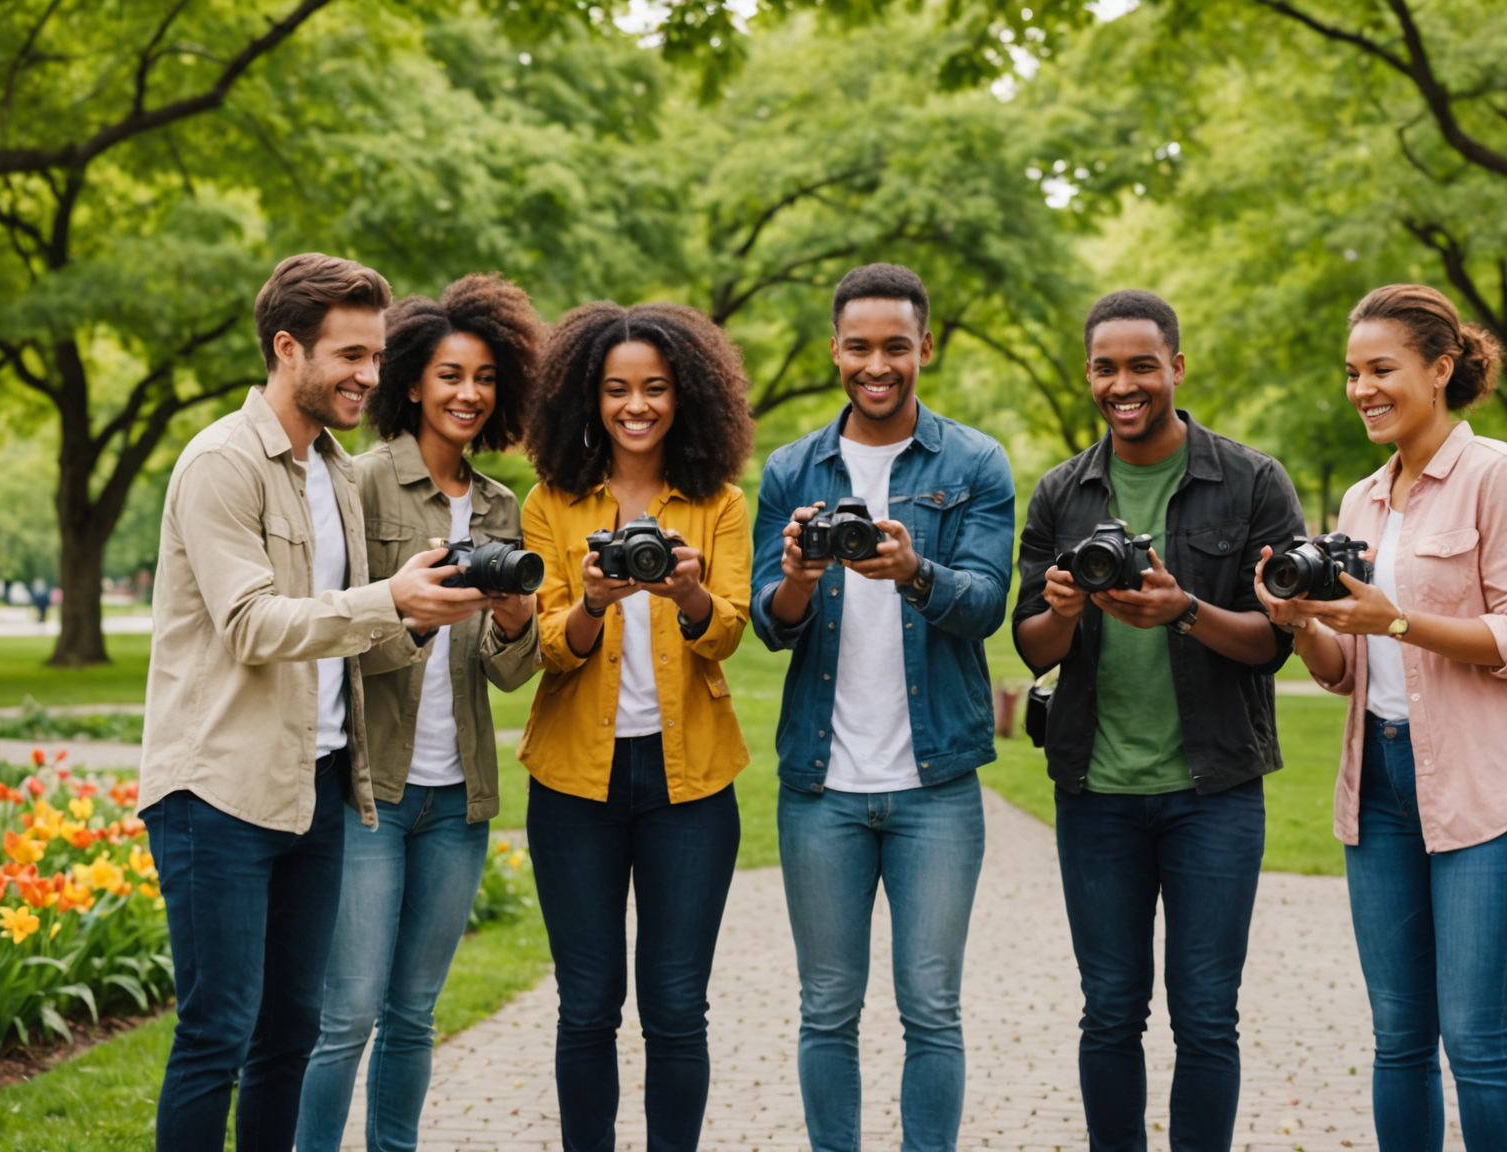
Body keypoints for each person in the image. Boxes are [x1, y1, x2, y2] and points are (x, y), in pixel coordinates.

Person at [137, 254, 494, 1152]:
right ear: (287, 348)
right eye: (349, 356)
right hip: (218, 791)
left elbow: (342, 632)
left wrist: (420, 620)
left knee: (290, 1034)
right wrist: (390, 602)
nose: (369, 378)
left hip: (319, 786)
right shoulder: (222, 462)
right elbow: (253, 625)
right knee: (218, 1033)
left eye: (375, 357)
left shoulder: (333, 470)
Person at [1257, 283, 1507, 1152]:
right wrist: (1304, 624)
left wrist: (1393, 617)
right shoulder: (1361, 500)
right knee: (1398, 1043)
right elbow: (1343, 670)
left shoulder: (1499, 476)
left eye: (1381, 369)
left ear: (1440, 370)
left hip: (1490, 791)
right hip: (1383, 789)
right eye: (1352, 373)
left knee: (1477, 1043)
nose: (1362, 389)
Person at [1011, 289, 1306, 1151]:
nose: (1124, 384)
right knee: (1109, 1011)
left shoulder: (1253, 480)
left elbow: (1274, 644)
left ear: (1177, 367)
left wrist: (1185, 612)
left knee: (1207, 1015)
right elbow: (1033, 648)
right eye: (1106, 368)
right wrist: (1065, 606)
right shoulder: (1063, 491)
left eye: (1143, 365)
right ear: (1090, 376)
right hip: (1096, 792)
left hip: (1213, 791)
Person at [749, 263, 1015, 1152]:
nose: (877, 364)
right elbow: (771, 627)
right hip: (820, 786)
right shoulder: (792, 469)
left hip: (934, 784)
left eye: (895, 346)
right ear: (835, 351)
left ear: (924, 349)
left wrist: (914, 572)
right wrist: (795, 578)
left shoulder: (974, 461)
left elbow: (984, 607)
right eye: (859, 346)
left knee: (931, 1009)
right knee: (827, 1009)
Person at [294, 275, 547, 1152]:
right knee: (349, 1012)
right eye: (448, 375)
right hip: (374, 792)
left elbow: (510, 672)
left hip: (458, 802)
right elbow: (336, 633)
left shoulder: (504, 508)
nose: (467, 394)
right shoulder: (357, 486)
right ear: (410, 382)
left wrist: (515, 623)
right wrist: (410, 614)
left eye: (482, 377)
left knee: (414, 1013)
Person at [517, 300, 756, 1152]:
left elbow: (729, 629)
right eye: (617, 390)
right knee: (586, 1004)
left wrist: (686, 591)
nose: (637, 406)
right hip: (573, 784)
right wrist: (591, 602)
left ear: (686, 394)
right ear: (589, 398)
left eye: (655, 388)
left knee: (676, 1006)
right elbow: (546, 648)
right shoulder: (549, 504)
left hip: (689, 785)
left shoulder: (719, 504)